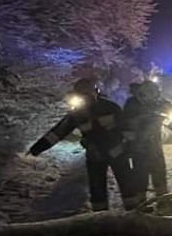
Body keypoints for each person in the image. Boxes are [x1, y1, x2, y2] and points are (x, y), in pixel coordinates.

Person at [27, 78, 136, 212]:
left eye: (88, 93)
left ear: (96, 92)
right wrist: (37, 148)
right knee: (97, 192)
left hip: (117, 152)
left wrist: (129, 148)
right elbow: (58, 132)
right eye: (82, 94)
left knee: (128, 186)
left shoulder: (111, 107)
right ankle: (101, 220)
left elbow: (128, 129)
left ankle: (134, 214)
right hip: (95, 155)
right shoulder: (77, 115)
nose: (86, 97)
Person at [123, 79, 172, 208]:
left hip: (155, 144)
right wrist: (143, 119)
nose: (151, 95)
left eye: (154, 92)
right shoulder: (132, 104)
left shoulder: (159, 102)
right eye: (148, 92)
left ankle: (162, 198)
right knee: (140, 173)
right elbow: (126, 122)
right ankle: (141, 203)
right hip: (138, 145)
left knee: (159, 170)